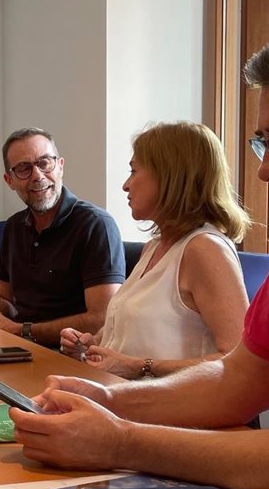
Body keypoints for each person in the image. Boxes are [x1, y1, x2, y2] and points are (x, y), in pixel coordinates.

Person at [15, 8, 269, 489]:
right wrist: (110, 399)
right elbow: (238, 378)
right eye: (264, 144)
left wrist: (122, 441)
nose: (267, 170)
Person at [58, 122, 250, 379]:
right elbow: (134, 337)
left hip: (173, 402)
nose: (126, 185)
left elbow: (238, 360)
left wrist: (140, 365)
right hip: (124, 394)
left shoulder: (205, 249)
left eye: (133, 171)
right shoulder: (154, 247)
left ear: (170, 176)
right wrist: (91, 343)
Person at [0, 128, 125, 346]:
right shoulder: (14, 227)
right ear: (9, 180)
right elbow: (3, 296)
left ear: (60, 166)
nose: (37, 175)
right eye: (24, 168)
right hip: (21, 346)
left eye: (45, 163)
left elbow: (102, 319)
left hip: (71, 354)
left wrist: (24, 330)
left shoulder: (95, 224)